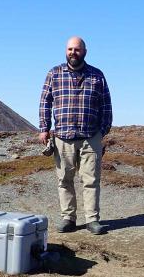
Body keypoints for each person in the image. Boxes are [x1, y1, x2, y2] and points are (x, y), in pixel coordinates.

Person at [39, 36, 112, 235]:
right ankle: (68, 218)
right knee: (64, 179)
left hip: (90, 137)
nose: (73, 53)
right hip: (62, 136)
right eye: (70, 49)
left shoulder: (97, 75)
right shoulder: (54, 73)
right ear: (66, 51)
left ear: (85, 52)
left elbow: (106, 104)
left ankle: (92, 220)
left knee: (91, 180)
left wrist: (102, 131)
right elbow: (45, 101)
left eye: (77, 49)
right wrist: (44, 128)